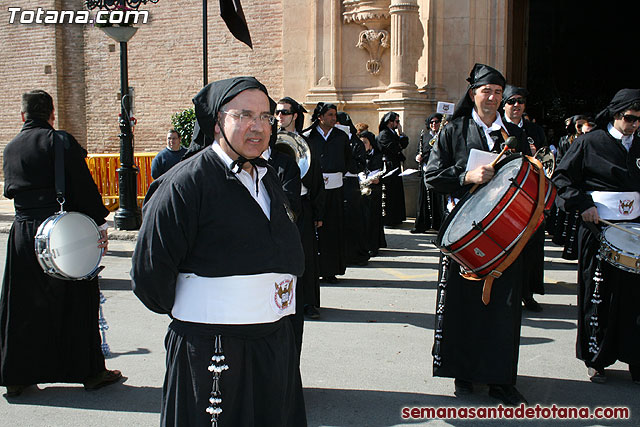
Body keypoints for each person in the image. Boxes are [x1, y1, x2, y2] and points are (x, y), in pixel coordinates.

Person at [131, 77, 307, 426]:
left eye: (265, 116)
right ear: (216, 123)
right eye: (243, 115)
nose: (258, 127)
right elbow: (150, 275)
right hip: (214, 347)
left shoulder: (269, 176)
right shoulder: (184, 183)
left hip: (274, 344)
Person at [0, 90, 120, 398]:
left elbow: (11, 191)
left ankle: (17, 376)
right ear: (52, 115)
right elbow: (82, 185)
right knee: (77, 302)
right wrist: (100, 223)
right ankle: (90, 372)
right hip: (61, 231)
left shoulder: (11, 148)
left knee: (24, 306)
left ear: (23, 116)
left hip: (23, 232)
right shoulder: (59, 142)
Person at [425, 63, 531, 405]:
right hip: (466, 233)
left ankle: (501, 378)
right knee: (465, 305)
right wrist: (467, 176)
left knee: (504, 307)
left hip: (506, 234)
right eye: (487, 91)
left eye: (499, 93)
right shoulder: (453, 130)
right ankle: (465, 372)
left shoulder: (514, 136)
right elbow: (432, 176)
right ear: (473, 94)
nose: (493, 98)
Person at [553, 88, 640, 385]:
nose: (635, 125)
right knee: (598, 294)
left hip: (634, 233)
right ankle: (596, 358)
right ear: (616, 115)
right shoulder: (590, 142)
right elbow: (562, 179)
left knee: (634, 299)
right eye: (630, 119)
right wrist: (584, 205)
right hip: (599, 229)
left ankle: (636, 358)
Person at [275, 97, 325, 321]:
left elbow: (317, 180)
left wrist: (318, 212)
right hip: (277, 206)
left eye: (284, 112)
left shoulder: (307, 144)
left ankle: (307, 303)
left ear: (295, 115)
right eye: (277, 113)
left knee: (306, 255)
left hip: (303, 205)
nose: (279, 117)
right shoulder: (269, 142)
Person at [501, 85, 546, 312]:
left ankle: (527, 293)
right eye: (511, 101)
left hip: (532, 195)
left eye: (520, 101)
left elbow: (546, 158)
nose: (516, 105)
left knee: (532, 246)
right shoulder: (498, 129)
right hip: (506, 196)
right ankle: (506, 293)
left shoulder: (534, 130)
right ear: (504, 104)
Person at [303, 103, 351, 284]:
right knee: (314, 227)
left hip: (335, 188)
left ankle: (331, 270)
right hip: (314, 187)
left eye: (335, 115)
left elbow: (347, 159)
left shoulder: (341, 136)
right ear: (320, 117)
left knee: (333, 228)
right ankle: (313, 268)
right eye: (330, 115)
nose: (334, 118)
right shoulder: (308, 136)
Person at [338, 112, 370, 267]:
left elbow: (359, 165)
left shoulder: (355, 143)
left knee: (352, 220)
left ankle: (354, 254)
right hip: (336, 184)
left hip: (350, 185)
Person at [412, 113, 443, 233]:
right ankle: (422, 224)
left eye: (436, 122)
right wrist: (418, 157)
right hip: (425, 170)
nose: (434, 124)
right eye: (432, 122)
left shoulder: (443, 135)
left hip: (438, 170)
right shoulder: (424, 136)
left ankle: (438, 224)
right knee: (423, 199)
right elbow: (418, 150)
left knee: (438, 200)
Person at [358, 129, 387, 256]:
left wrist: (378, 180)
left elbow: (384, 172)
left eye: (364, 142)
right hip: (361, 189)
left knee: (373, 219)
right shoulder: (359, 155)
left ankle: (373, 246)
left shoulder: (378, 156)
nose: (362, 145)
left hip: (374, 191)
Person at [377, 112, 408, 226]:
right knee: (390, 193)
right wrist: (399, 143)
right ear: (390, 122)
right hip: (388, 165)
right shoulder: (384, 134)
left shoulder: (393, 133)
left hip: (394, 165)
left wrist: (401, 134)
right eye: (396, 121)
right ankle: (389, 219)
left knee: (396, 192)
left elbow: (403, 144)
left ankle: (396, 218)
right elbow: (394, 148)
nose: (398, 124)